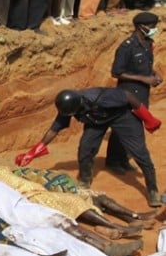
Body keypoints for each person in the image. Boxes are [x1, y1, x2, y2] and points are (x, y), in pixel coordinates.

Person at [16, 87, 161, 206]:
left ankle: (153, 190)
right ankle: (85, 179)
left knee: (139, 153)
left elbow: (129, 95)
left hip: (121, 116)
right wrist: (33, 152)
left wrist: (148, 118)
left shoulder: (100, 97)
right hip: (96, 122)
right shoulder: (68, 106)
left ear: (79, 104)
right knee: (85, 149)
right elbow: (54, 129)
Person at [104, 12, 162, 174]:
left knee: (136, 125)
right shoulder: (127, 46)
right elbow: (116, 72)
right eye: (151, 27)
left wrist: (154, 74)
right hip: (126, 93)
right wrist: (144, 79)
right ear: (140, 27)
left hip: (142, 94)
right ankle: (113, 161)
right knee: (122, 126)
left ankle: (123, 159)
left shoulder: (147, 43)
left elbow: (146, 65)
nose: (154, 29)